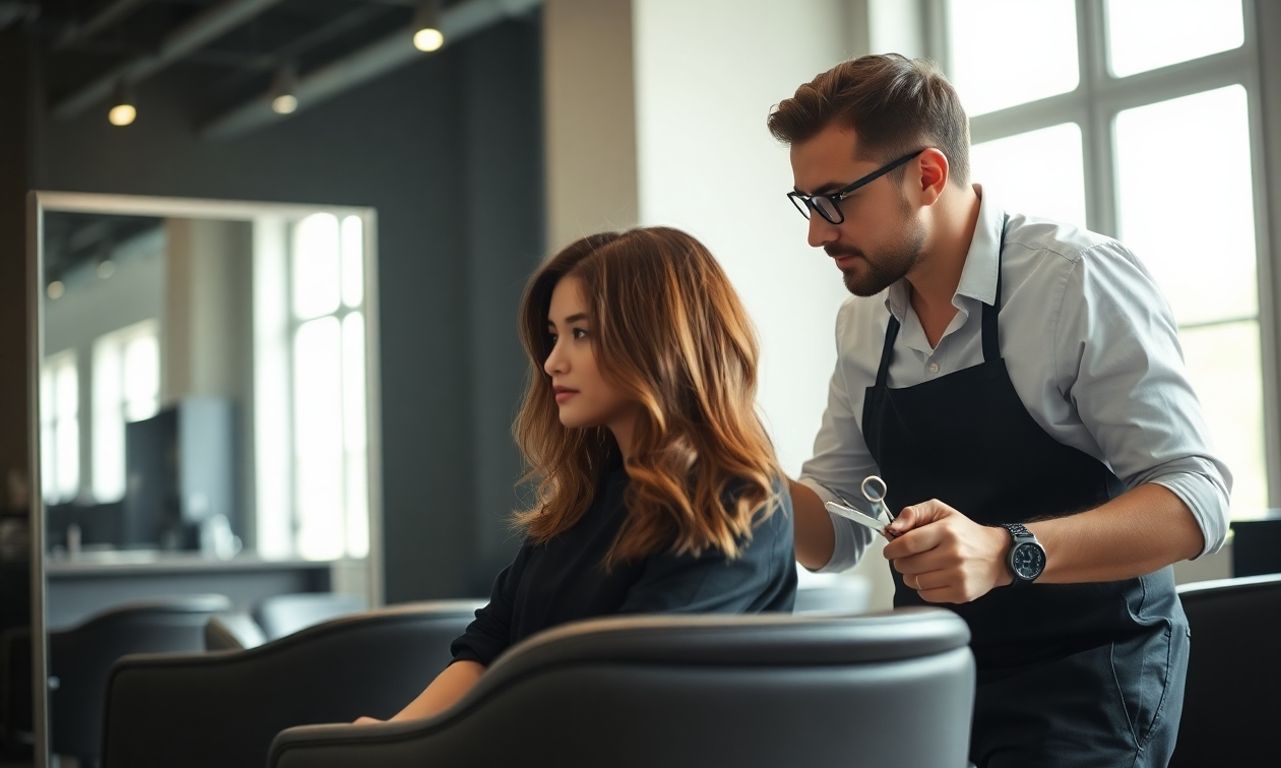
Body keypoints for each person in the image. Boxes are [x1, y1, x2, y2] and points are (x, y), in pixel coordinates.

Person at [768, 54, 1231, 767]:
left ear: (926, 176)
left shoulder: (1074, 280)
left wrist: (1006, 550)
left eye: (835, 200)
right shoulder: (864, 325)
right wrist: (726, 461)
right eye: (808, 204)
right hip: (936, 680)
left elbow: (1194, 501)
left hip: (1092, 679)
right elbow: (832, 534)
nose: (817, 234)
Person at [357, 227, 797, 724]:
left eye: (580, 333)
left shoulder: (733, 501)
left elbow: (618, 690)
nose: (551, 362)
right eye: (552, 336)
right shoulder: (584, 500)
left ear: (656, 339)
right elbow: (485, 649)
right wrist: (391, 737)